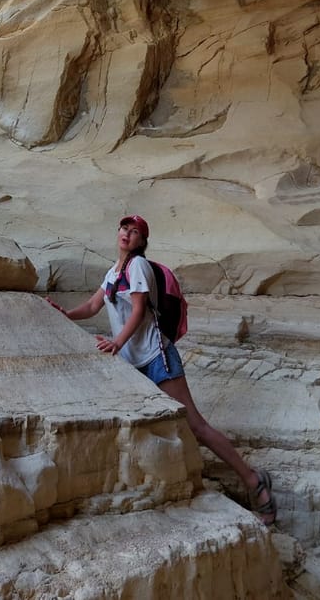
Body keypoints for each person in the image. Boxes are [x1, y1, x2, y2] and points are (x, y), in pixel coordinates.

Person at [46, 214, 277, 525]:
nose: (127, 234)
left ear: (142, 241)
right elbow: (91, 307)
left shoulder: (138, 267)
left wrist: (116, 343)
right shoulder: (113, 273)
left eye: (135, 232)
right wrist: (64, 315)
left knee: (196, 426)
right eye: (124, 229)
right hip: (133, 363)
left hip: (157, 357)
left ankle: (253, 480)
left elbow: (140, 310)